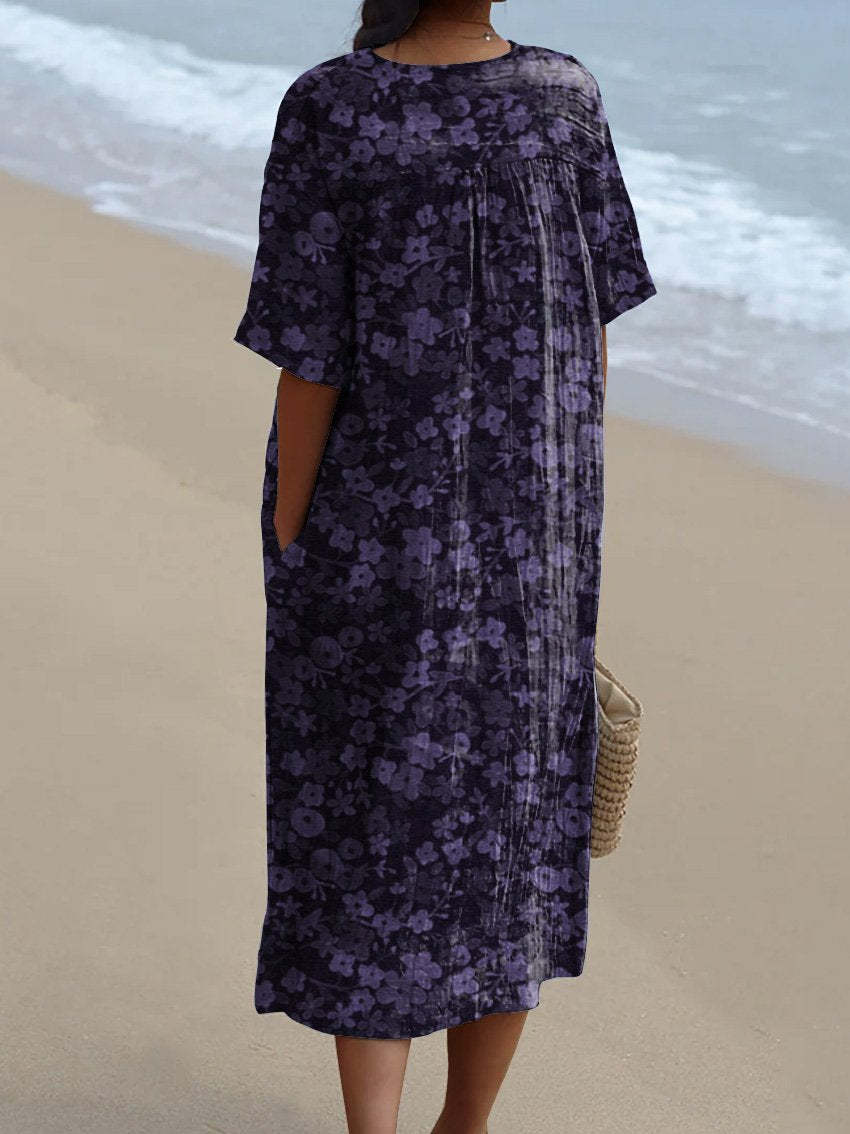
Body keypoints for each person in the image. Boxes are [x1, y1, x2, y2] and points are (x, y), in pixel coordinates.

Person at [233, 0, 657, 1130]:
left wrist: (289, 531)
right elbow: (591, 337)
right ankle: (461, 1127)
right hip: (533, 542)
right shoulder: (563, 97)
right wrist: (563, 509)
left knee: (374, 828)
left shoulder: (336, 104)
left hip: (376, 533)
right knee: (511, 840)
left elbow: (309, 353)